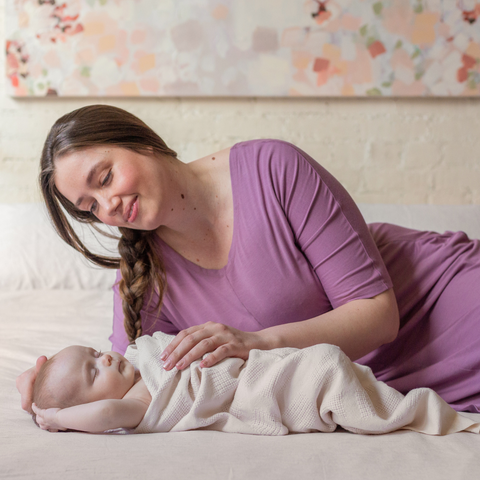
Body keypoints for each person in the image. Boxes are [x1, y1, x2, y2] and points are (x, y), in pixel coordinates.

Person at [17, 105, 480, 414]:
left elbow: (379, 317)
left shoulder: (273, 168)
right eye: (91, 206)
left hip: (440, 308)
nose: (108, 205)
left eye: (105, 177)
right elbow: (130, 377)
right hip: (366, 383)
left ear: (142, 142)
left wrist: (256, 343)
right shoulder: (143, 273)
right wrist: (48, 395)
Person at [29, 332, 480, 436]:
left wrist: (46, 383)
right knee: (326, 372)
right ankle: (415, 412)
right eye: (93, 373)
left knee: (326, 363)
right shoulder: (137, 403)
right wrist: (56, 417)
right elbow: (105, 415)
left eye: (92, 353)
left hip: (266, 366)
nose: (104, 358)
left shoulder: (142, 359)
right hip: (271, 388)